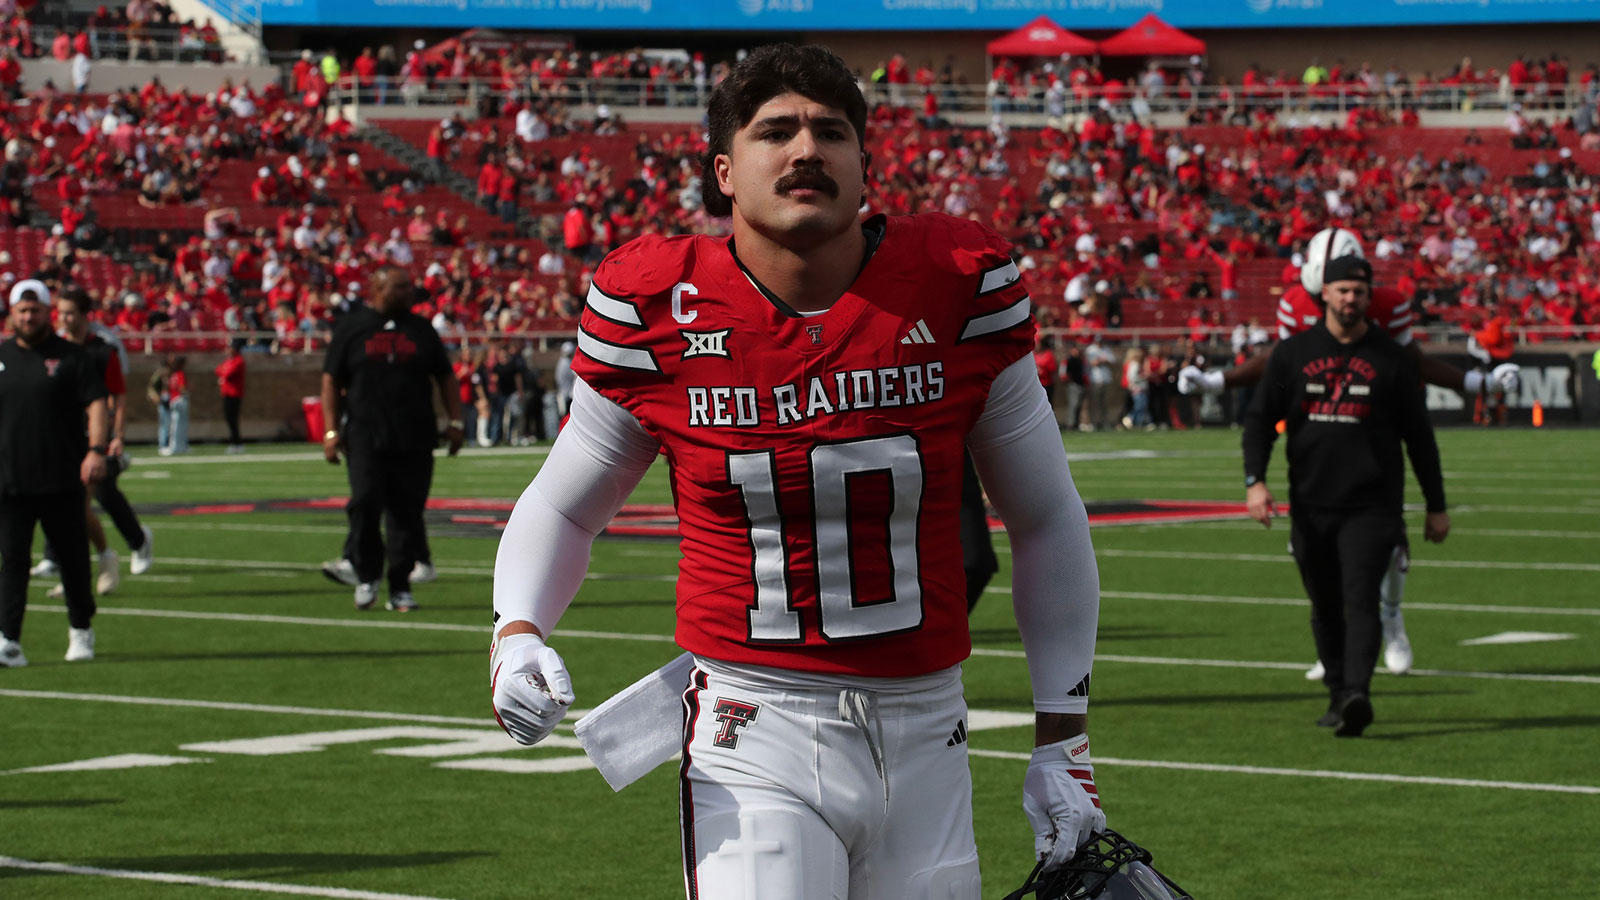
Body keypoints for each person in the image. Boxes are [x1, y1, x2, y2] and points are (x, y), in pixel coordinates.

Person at [489, 44, 1104, 897]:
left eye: (831, 130)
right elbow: (564, 505)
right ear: (725, 172)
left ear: (865, 166)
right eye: (775, 130)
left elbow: (1045, 517)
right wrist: (515, 632)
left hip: (929, 726)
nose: (805, 149)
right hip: (754, 722)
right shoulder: (658, 311)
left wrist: (1063, 740)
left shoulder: (955, 287)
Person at [1179, 227, 1515, 677]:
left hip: (1372, 432)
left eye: (1353, 289)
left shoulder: (1384, 306)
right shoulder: (1296, 304)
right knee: (1316, 558)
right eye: (1332, 290)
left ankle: (1391, 615)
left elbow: (1412, 363)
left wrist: (1480, 382)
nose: (1340, 301)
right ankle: (1333, 650)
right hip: (1317, 440)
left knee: (1385, 544)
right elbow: (1279, 363)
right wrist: (1218, 380)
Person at [1241, 255, 1449, 738]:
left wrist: (1436, 504)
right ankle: (1338, 692)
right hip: (1311, 504)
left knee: (1361, 600)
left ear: (1367, 296)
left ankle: (1358, 692)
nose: (1351, 299)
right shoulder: (1291, 354)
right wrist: (1255, 481)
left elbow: (1420, 438)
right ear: (1325, 294)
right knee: (1324, 603)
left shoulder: (1393, 360)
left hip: (1373, 506)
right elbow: (1258, 420)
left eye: (1359, 290)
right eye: (1342, 290)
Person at [321, 265, 464, 613]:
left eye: (409, 286)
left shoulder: (422, 329)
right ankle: (367, 573)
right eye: (400, 287)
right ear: (377, 288)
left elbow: (445, 377)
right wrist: (330, 430)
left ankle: (400, 586)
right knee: (366, 502)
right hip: (365, 435)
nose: (408, 293)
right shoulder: (352, 327)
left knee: (406, 512)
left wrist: (456, 421)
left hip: (415, 435)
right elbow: (330, 381)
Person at [0, 280, 108, 667]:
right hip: (10, 480)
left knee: (73, 558)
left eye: (36, 310)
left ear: (48, 312)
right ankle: (9, 639)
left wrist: (96, 449)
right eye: (22, 310)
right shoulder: (1, 355)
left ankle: (81, 629)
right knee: (12, 562)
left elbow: (97, 403)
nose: (29, 317)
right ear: (12, 313)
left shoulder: (71, 357)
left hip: (61, 476)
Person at [33, 289, 155, 597]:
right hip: (62, 436)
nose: (64, 318)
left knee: (87, 500)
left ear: (86, 314)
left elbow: (118, 395)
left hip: (94, 439)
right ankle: (84, 561)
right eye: (60, 312)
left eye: (70, 312)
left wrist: (117, 436)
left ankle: (113, 553)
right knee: (68, 504)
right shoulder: (51, 348)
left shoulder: (103, 350)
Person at [215, 342, 247, 452]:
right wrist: (223, 370)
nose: (228, 350)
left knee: (233, 419)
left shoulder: (238, 360)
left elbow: (227, 373)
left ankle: (237, 442)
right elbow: (218, 369)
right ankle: (235, 442)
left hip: (234, 394)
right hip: (226, 393)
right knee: (229, 419)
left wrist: (223, 370)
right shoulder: (230, 360)